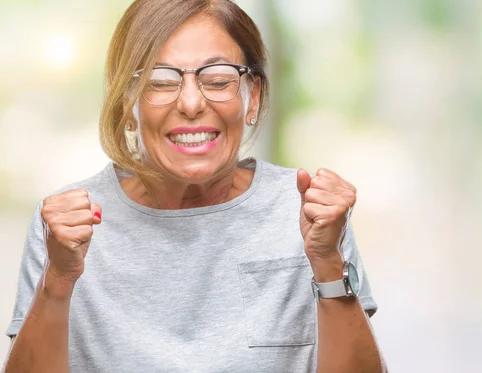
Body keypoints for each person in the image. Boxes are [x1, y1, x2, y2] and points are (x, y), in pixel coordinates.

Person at [3, 1, 385, 372]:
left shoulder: (306, 211)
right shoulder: (65, 226)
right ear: (126, 105)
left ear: (253, 97)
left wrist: (327, 263)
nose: (190, 102)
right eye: (160, 81)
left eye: (218, 79)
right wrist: (58, 280)